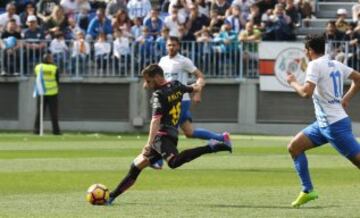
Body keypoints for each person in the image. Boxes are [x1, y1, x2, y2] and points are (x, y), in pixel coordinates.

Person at [107, 64, 232, 205]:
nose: (146, 85)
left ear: (158, 77)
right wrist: (200, 83)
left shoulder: (158, 95)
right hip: (171, 134)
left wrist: (148, 144)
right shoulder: (176, 85)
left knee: (173, 162)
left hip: (161, 136)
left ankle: (211, 146)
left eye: (148, 81)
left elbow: (155, 121)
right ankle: (111, 197)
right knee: (136, 166)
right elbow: (194, 88)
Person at [286, 34, 360, 208]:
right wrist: (346, 98)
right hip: (323, 124)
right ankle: (307, 190)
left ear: (309, 50)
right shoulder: (335, 63)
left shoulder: (314, 65)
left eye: (306, 50)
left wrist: (293, 82)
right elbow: (358, 78)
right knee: (294, 147)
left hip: (335, 126)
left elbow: (306, 92)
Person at [159, 37, 230, 142]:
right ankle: (222, 138)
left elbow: (200, 76)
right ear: (166, 46)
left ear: (178, 46)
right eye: (169, 45)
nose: (171, 47)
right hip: (168, 100)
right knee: (189, 133)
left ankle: (159, 156)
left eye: (174, 45)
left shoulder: (184, 61)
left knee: (163, 129)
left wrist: (197, 92)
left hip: (181, 100)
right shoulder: (163, 60)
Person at [34, 53, 62, 135]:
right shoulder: (54, 68)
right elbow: (57, 80)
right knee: (54, 113)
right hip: (52, 93)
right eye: (51, 58)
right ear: (49, 59)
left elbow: (36, 77)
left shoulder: (38, 67)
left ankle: (36, 130)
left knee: (39, 112)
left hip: (41, 92)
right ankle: (56, 131)